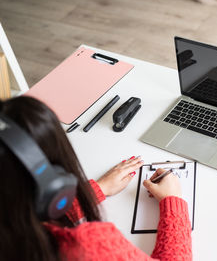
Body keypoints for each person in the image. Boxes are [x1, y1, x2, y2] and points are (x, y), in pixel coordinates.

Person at [0, 96, 192, 261]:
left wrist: (96, 190)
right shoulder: (85, 248)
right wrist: (172, 202)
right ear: (52, 185)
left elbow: (24, 210)